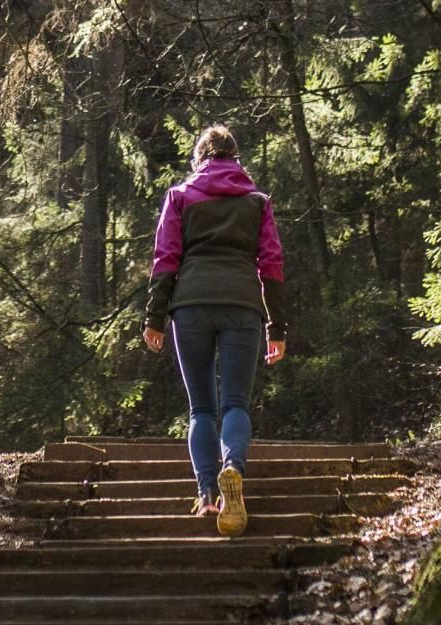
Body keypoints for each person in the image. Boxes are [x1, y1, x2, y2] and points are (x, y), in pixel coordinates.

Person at [141, 124, 287, 537]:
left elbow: (165, 258)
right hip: (243, 305)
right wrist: (278, 327)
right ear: (235, 158)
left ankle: (207, 496)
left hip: (190, 307)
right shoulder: (257, 202)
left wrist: (154, 316)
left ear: (199, 158)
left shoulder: (180, 196)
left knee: (201, 408)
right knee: (235, 403)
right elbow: (271, 265)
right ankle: (232, 470)